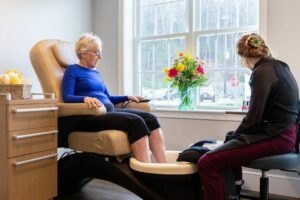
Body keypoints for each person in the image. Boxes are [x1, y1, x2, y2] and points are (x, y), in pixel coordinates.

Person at [197, 33, 299, 200]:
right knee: (231, 137)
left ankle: (233, 190)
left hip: (278, 137)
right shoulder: (280, 66)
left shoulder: (261, 72)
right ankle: (236, 190)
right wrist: (232, 138)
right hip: (287, 134)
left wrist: (230, 141)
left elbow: (253, 119)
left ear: (242, 58)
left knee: (206, 162)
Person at [61, 33, 167, 163]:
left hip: (109, 111)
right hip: (91, 116)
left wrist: (128, 97)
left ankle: (163, 167)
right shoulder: (72, 70)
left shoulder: (95, 72)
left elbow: (108, 97)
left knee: (151, 119)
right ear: (83, 53)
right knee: (136, 122)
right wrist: (84, 99)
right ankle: (146, 172)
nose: (100, 57)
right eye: (97, 53)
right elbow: (67, 97)